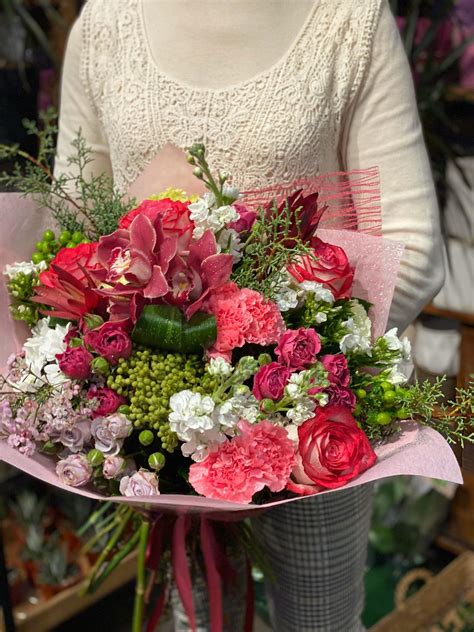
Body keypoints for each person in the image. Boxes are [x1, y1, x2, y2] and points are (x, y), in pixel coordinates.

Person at [55, 1, 444, 630]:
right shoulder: (106, 22)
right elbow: (73, 230)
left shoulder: (349, 19)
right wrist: (176, 418)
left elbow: (413, 244)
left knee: (320, 620)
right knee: (193, 618)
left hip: (315, 428)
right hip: (154, 434)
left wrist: (290, 390)